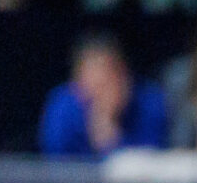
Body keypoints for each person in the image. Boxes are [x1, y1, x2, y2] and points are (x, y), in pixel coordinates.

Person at [40, 35, 168, 159]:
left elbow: (151, 163)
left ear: (124, 74)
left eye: (108, 79)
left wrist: (110, 137)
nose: (102, 92)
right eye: (94, 83)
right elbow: (54, 160)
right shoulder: (62, 105)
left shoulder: (150, 103)